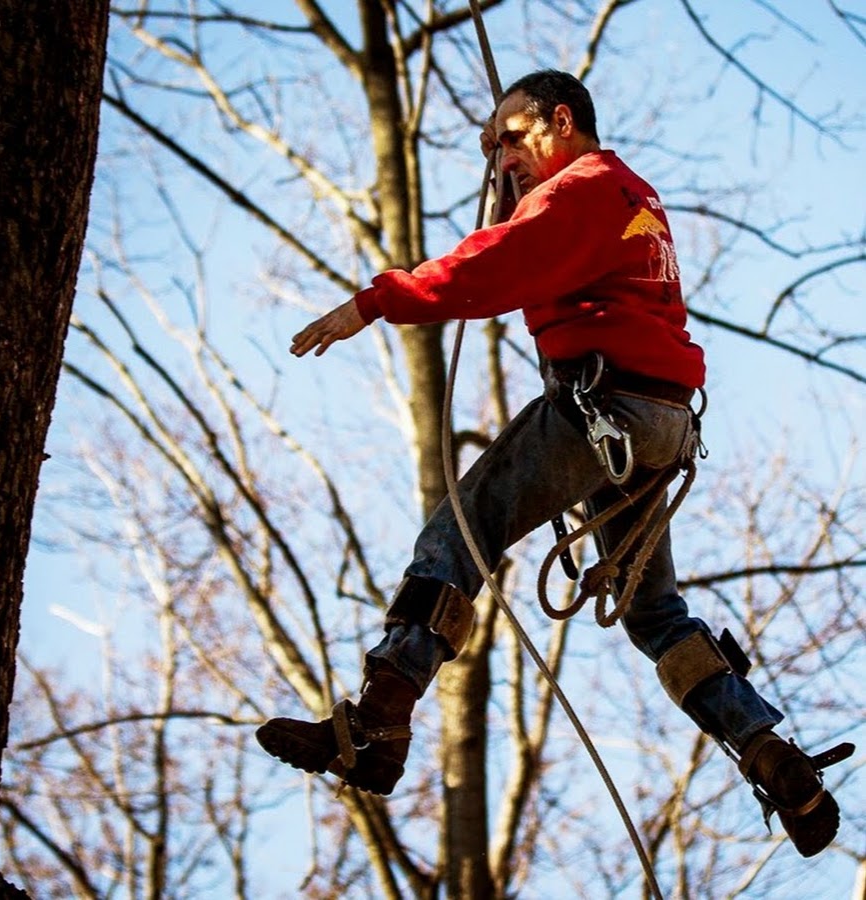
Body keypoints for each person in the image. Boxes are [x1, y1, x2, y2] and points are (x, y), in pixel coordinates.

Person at [257, 70, 849, 857]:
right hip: (659, 423)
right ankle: (775, 758)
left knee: (461, 529)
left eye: (511, 138)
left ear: (560, 121)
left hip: (599, 410)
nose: (502, 155)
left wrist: (375, 301)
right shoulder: (630, 197)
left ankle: (377, 722)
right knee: (656, 617)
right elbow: (527, 246)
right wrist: (511, 188)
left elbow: (494, 267)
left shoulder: (581, 191)